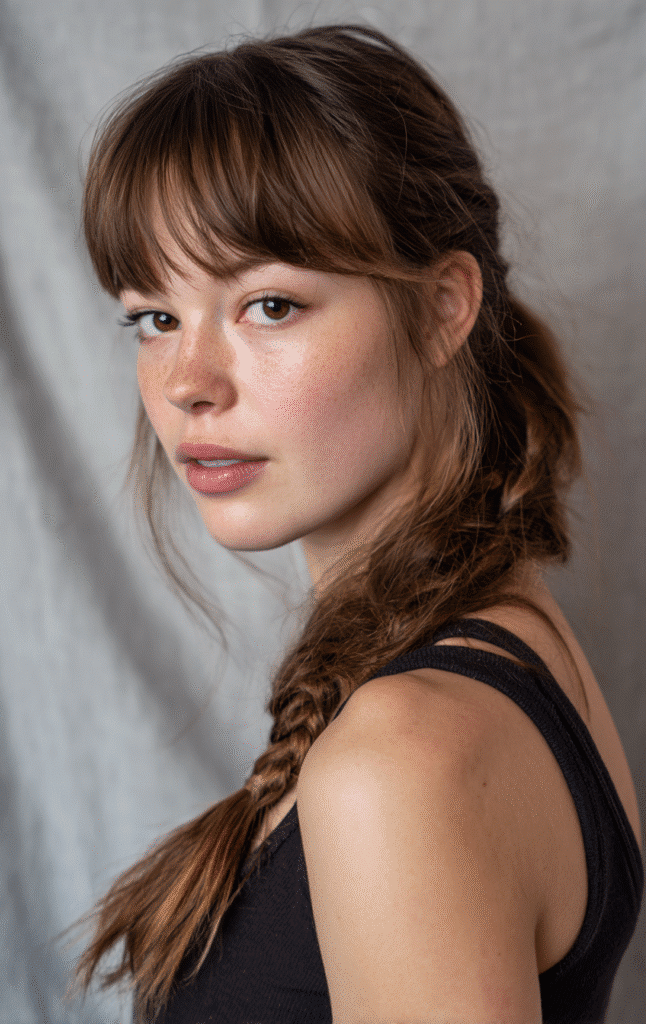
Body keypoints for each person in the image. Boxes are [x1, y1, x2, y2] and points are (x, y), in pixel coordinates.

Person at [67, 22, 643, 1024]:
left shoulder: (403, 759)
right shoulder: (503, 643)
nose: (187, 384)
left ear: (440, 308)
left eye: (270, 305)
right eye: (153, 316)